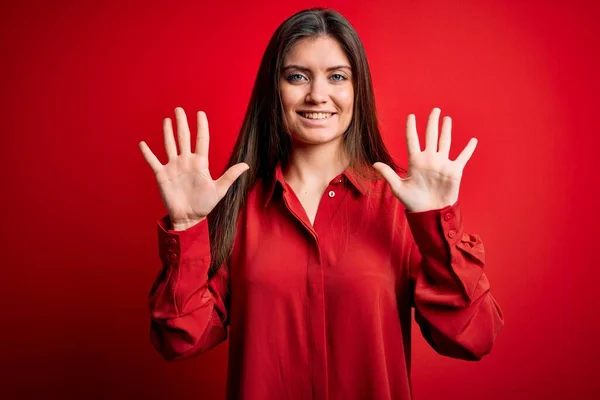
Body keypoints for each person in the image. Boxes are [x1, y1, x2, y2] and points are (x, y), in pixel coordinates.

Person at [138, 7, 504, 400]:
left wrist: (436, 228)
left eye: (337, 77)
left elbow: (473, 339)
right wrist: (188, 227)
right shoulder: (236, 205)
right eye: (297, 76)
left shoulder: (401, 205)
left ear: (356, 89)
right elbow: (179, 341)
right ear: (273, 89)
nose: (317, 94)